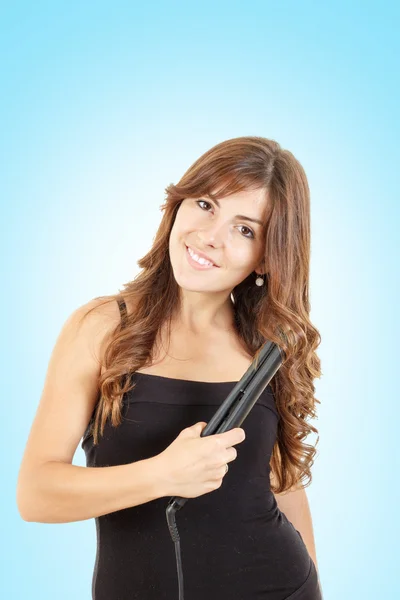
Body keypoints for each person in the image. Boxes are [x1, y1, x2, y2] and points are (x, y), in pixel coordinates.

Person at [16, 136, 323, 599]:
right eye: (205, 204)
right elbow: (35, 494)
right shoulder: (102, 328)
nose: (210, 236)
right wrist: (162, 474)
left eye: (245, 229)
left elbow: (283, 489)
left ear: (266, 256)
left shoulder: (268, 349)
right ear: (177, 205)